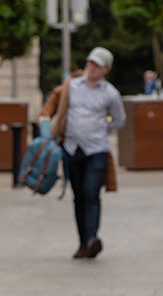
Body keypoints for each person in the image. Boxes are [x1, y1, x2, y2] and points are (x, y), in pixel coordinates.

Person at [51, 46, 125, 259]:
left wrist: (103, 128)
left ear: (106, 69)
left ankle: (92, 237)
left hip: (97, 149)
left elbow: (119, 119)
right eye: (90, 63)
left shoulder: (110, 93)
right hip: (72, 148)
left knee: (91, 193)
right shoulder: (71, 87)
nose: (92, 68)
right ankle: (83, 242)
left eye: (97, 65)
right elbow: (57, 106)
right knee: (79, 197)